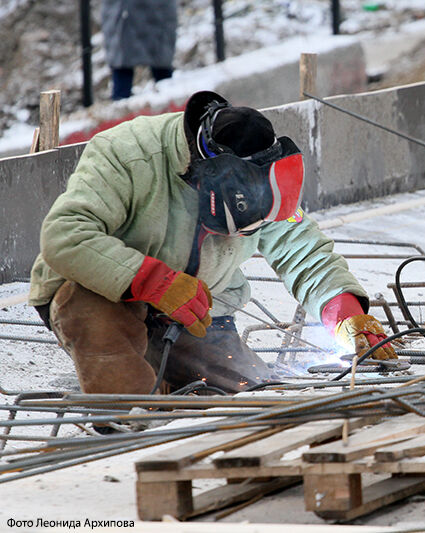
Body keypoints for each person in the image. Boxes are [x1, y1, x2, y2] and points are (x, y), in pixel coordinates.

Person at [28, 90, 396, 395]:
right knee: (132, 392)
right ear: (211, 185)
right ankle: (129, 425)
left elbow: (302, 249)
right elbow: (64, 234)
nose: (248, 234)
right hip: (101, 298)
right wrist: (155, 281)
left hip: (196, 312)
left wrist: (346, 314)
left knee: (249, 390)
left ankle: (167, 374)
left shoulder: (257, 182)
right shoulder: (128, 154)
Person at [101, 0, 178, 100]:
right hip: (122, 18)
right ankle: (121, 105)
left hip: (158, 16)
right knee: (122, 71)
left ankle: (169, 106)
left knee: (163, 75)